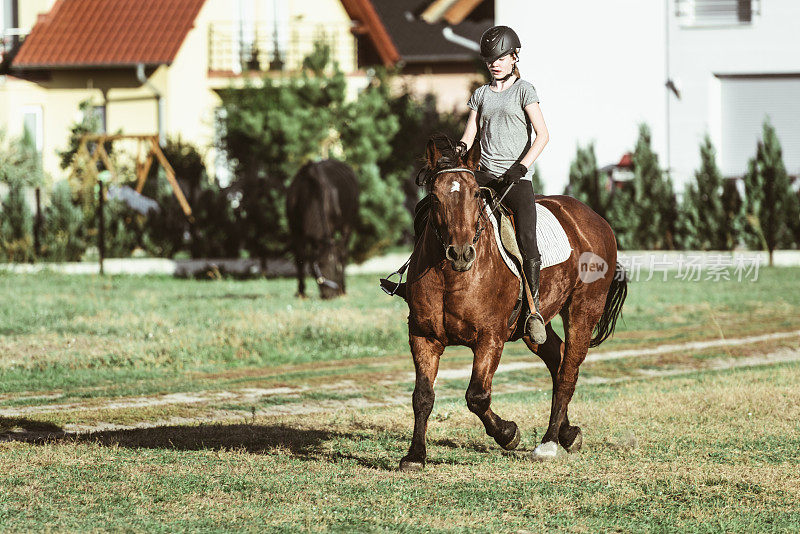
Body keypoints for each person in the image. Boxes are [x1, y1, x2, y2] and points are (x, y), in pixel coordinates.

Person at [455, 25, 549, 344]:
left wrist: (521, 167)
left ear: (513, 58)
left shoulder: (525, 90)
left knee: (526, 239)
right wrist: (455, 153)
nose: (494, 63)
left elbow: (543, 135)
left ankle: (533, 309)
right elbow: (469, 137)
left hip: (515, 180)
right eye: (490, 59)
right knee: (447, 212)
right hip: (484, 176)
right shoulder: (480, 95)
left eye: (500, 58)